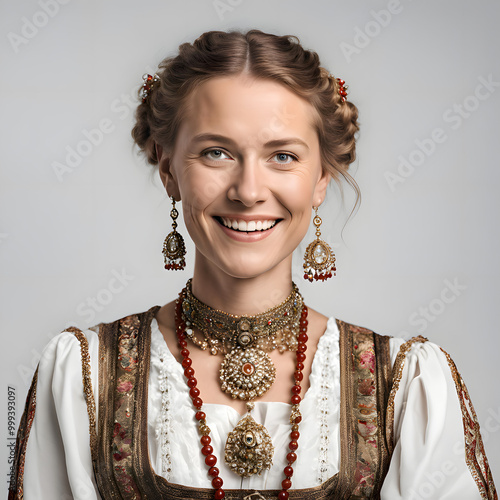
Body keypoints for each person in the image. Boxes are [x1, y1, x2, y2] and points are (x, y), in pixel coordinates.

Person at [9, 29, 497, 500]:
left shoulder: (405, 385)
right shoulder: (84, 376)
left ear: (321, 179)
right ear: (167, 168)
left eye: (282, 156)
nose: (248, 191)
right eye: (216, 153)